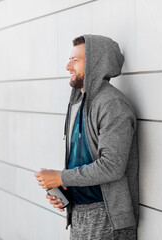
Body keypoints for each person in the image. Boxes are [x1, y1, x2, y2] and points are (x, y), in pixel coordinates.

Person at [34, 34, 139, 240]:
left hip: (107, 218)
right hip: (80, 214)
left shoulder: (112, 105)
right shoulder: (78, 103)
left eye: (75, 60)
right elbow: (83, 162)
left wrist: (61, 177)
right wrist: (65, 190)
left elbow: (112, 166)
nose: (68, 67)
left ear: (95, 63)